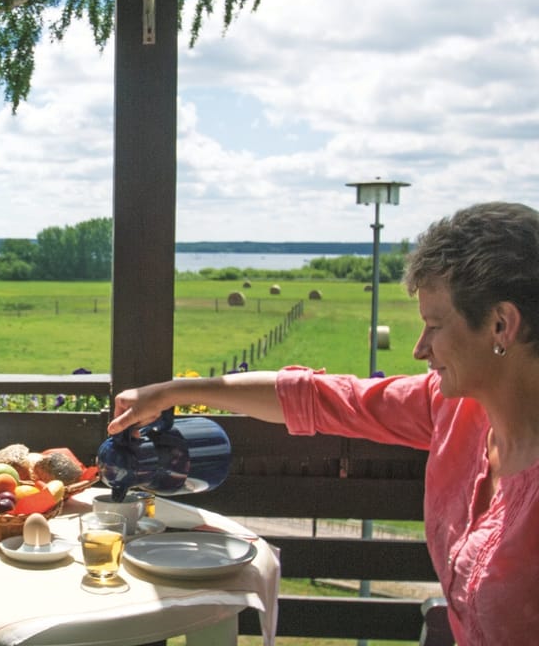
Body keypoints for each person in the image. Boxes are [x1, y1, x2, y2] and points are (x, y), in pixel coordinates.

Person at [108, 201, 539, 646]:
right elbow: (318, 396)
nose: (418, 348)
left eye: (434, 325)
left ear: (501, 324)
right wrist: (173, 392)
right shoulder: (452, 409)